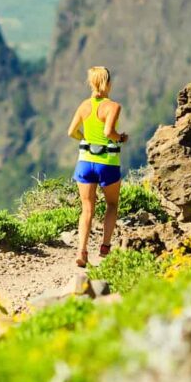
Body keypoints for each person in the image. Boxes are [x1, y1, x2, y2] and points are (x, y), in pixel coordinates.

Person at [66, 66, 129, 268]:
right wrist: (120, 138)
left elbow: (71, 132)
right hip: (107, 163)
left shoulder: (83, 106)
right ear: (108, 83)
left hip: (85, 162)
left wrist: (84, 138)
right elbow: (109, 131)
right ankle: (104, 247)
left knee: (87, 208)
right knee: (111, 205)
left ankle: (81, 252)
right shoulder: (113, 106)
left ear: (91, 83)